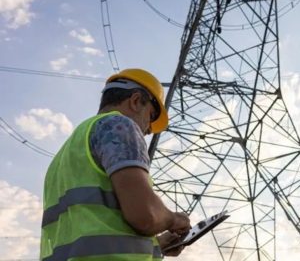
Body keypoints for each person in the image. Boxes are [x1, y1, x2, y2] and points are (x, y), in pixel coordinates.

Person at [40, 68, 191, 261]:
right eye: (151, 116)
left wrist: (156, 245)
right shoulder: (119, 126)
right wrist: (173, 219)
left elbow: (92, 230)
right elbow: (145, 216)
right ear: (136, 101)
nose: (148, 130)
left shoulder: (65, 154)